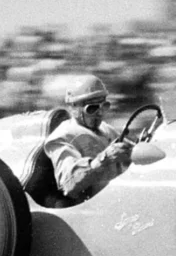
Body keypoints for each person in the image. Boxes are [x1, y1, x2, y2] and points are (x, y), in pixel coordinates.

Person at [43, 74, 133, 205]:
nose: (100, 113)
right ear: (73, 108)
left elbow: (130, 152)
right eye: (92, 108)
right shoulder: (61, 138)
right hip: (92, 208)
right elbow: (68, 183)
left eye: (104, 106)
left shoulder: (105, 129)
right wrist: (104, 159)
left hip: (119, 199)